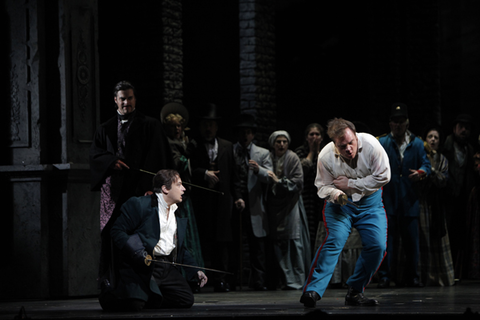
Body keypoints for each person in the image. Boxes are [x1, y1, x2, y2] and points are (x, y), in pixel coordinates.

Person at [90, 81, 173, 289]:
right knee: (113, 237)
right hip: (114, 195)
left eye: (130, 98)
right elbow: (95, 155)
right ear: (115, 100)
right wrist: (111, 162)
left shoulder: (150, 125)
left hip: (140, 192)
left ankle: (143, 287)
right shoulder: (105, 128)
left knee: (141, 239)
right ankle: (112, 285)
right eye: (122, 98)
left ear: (135, 99)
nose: (126, 102)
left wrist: (153, 189)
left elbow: (159, 157)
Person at [301, 118, 390, 308]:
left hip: (370, 204)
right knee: (336, 240)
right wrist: (336, 193)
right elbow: (322, 186)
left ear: (356, 135)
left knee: (377, 246)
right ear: (334, 144)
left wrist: (351, 184)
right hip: (340, 206)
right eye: (343, 146)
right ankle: (313, 290)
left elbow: (384, 176)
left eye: (351, 142)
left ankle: (355, 291)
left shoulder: (372, 145)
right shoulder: (326, 156)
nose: (348, 148)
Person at [99, 169, 208, 311]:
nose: (184, 188)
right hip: (143, 265)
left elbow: (180, 248)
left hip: (166, 266)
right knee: (135, 304)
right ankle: (112, 296)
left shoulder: (177, 213)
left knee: (185, 299)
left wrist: (195, 271)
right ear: (165, 188)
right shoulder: (140, 205)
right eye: (179, 185)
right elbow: (117, 231)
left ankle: (150, 297)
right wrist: (137, 250)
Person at [188, 103, 242, 292]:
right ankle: (201, 279)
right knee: (204, 241)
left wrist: (238, 197)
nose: (208, 128)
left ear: (217, 127)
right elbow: (188, 170)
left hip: (223, 202)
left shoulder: (227, 146)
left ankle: (221, 279)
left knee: (223, 243)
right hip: (203, 202)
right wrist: (204, 173)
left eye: (211, 124)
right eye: (205, 124)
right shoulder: (193, 145)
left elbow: (234, 175)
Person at [377, 103, 431, 288]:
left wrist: (421, 173)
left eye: (401, 121)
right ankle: (384, 276)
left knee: (411, 243)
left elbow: (427, 165)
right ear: (390, 123)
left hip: (409, 199)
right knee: (387, 242)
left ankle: (412, 276)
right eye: (395, 121)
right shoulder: (383, 142)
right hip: (388, 199)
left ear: (407, 123)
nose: (398, 125)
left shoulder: (416, 143)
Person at [160, 102, 204, 291]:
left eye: (179, 126)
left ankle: (194, 274)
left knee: (190, 234)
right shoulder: (169, 145)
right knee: (180, 235)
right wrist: (186, 154)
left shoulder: (184, 142)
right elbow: (176, 164)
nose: (177, 129)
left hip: (186, 195)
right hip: (175, 196)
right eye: (173, 126)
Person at [232, 114, 274, 291]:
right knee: (236, 243)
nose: (245, 136)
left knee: (258, 246)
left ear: (253, 135)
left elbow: (271, 177)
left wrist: (259, 170)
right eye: (242, 132)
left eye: (248, 132)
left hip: (255, 205)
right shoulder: (231, 150)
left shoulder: (262, 153)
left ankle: (259, 280)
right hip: (236, 203)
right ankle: (236, 279)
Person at [267, 130, 311, 290]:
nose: (281, 144)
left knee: (293, 240)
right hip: (275, 205)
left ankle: (296, 280)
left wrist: (280, 182)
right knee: (278, 241)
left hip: (291, 205)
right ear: (273, 144)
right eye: (278, 141)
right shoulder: (270, 157)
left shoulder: (292, 157)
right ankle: (282, 279)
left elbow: (298, 182)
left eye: (284, 142)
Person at [417, 126, 455, 286]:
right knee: (423, 241)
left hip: (436, 205)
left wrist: (430, 171)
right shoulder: (420, 157)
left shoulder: (442, 160)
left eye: (436, 137)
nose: (433, 140)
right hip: (422, 204)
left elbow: (443, 180)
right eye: (430, 136)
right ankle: (423, 277)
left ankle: (441, 277)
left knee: (438, 240)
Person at [443, 114, 476, 280]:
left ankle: (458, 271)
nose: (464, 130)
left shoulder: (469, 150)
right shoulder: (446, 146)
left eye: (467, 127)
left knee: (460, 236)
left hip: (463, 200)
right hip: (447, 199)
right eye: (461, 127)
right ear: (454, 128)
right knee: (446, 234)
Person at [294, 123, 326, 255]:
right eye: (311, 134)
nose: (314, 137)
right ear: (306, 137)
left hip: (321, 198)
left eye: (317, 134)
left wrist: (318, 153)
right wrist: (312, 153)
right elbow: (301, 172)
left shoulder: (327, 152)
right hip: (306, 197)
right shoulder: (300, 152)